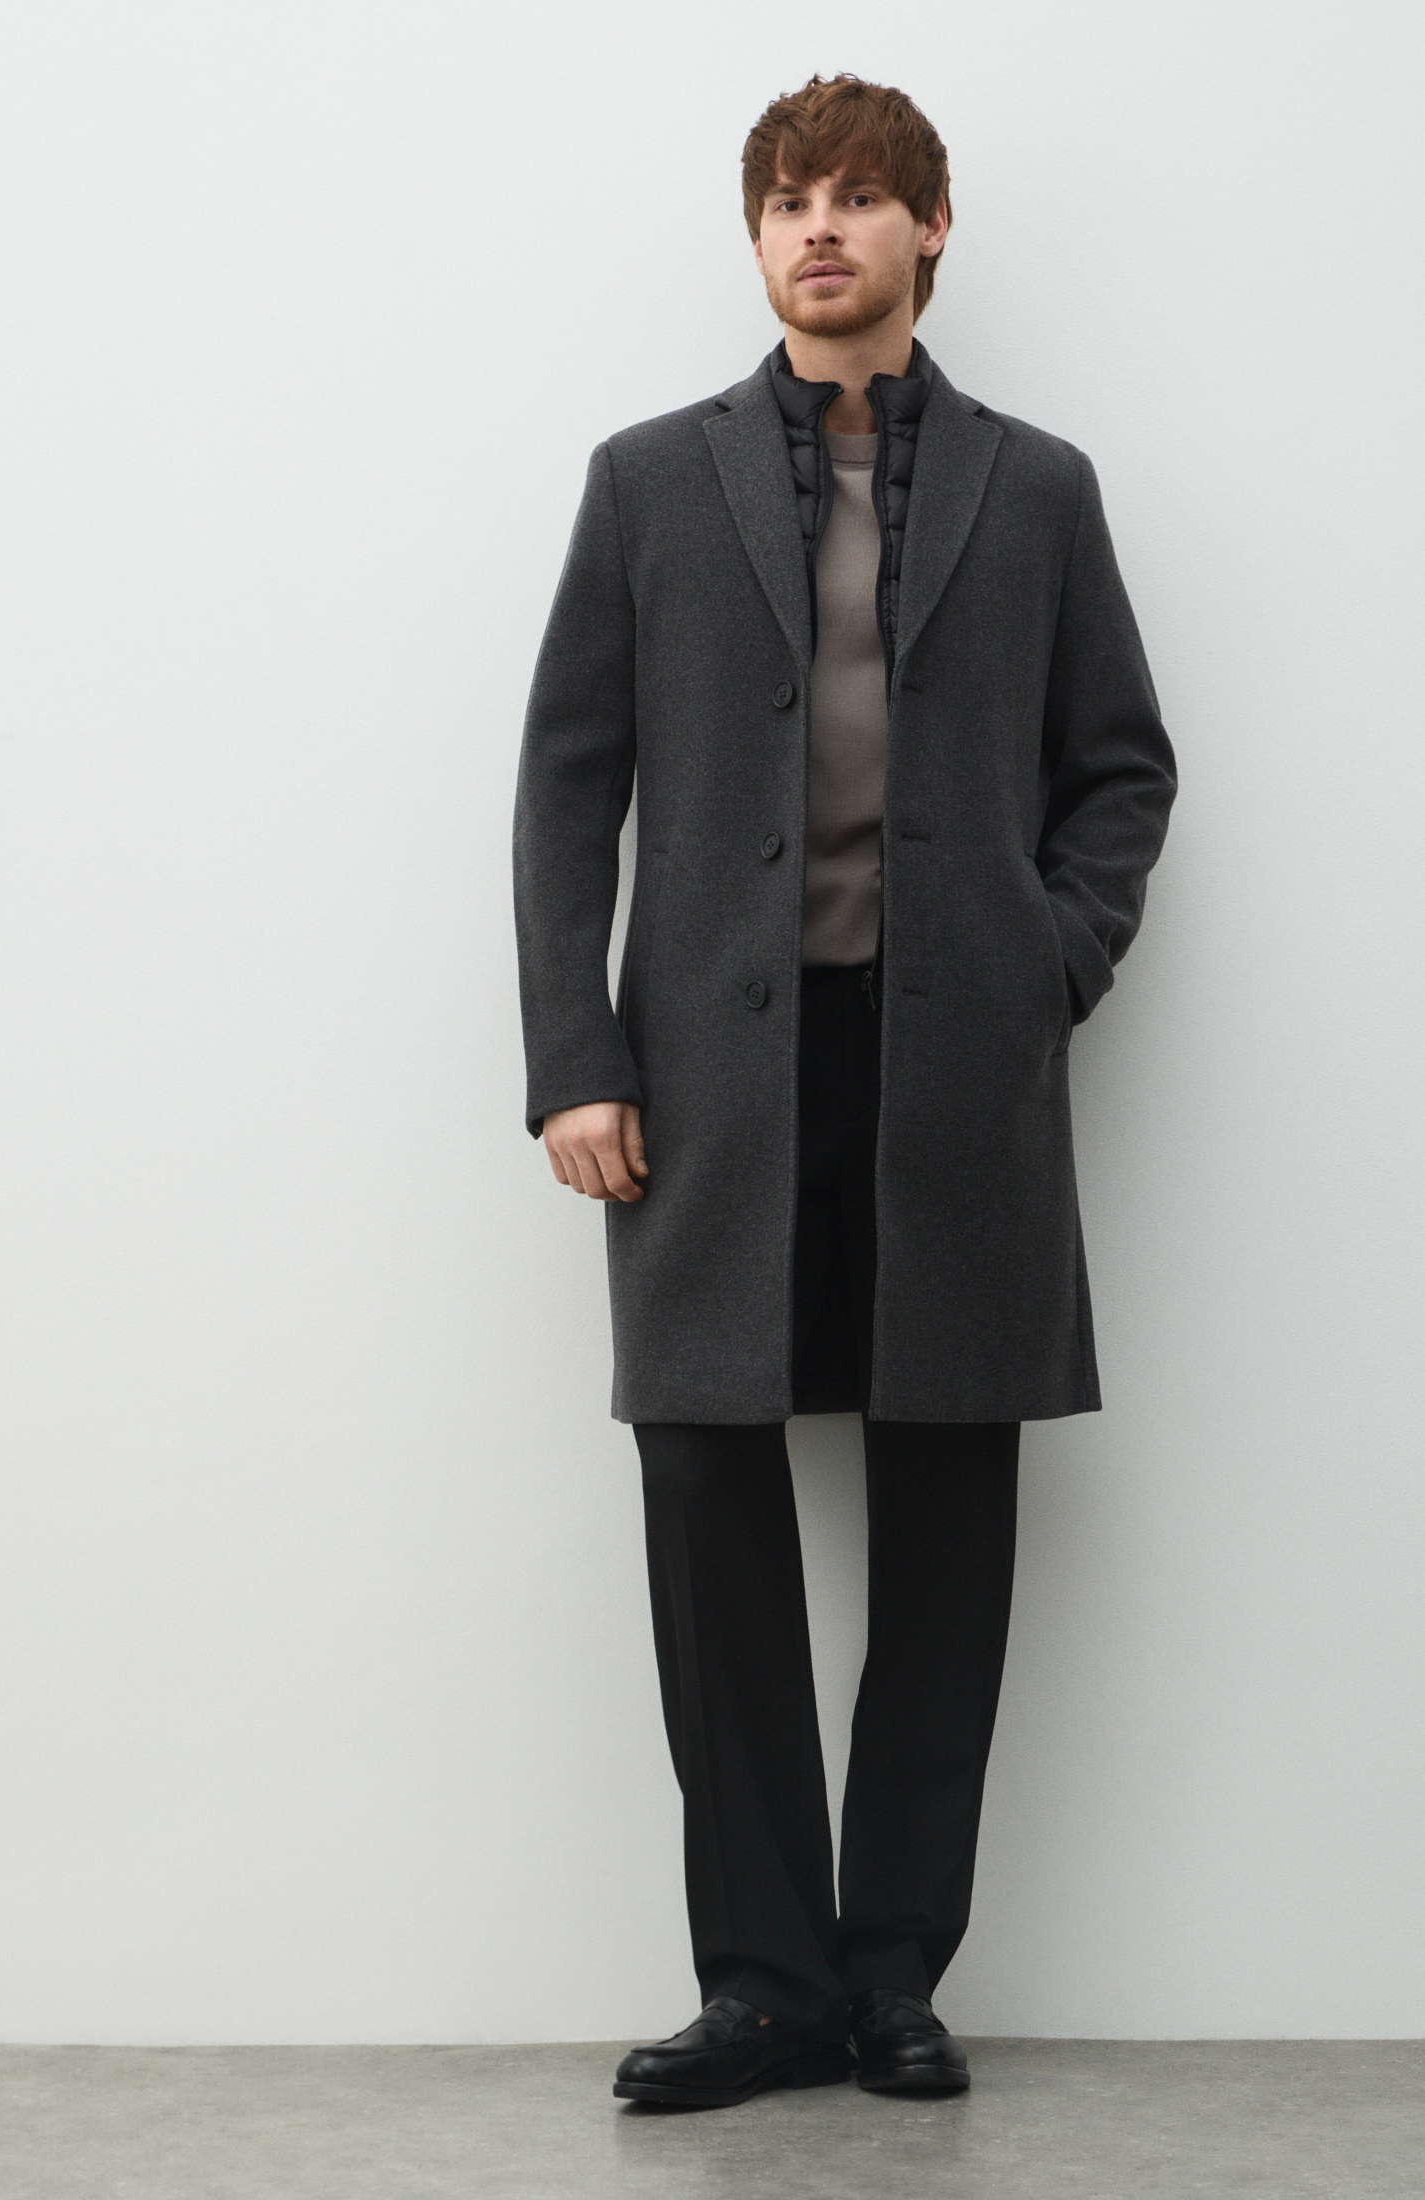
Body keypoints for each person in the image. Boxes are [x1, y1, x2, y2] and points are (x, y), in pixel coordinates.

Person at [511, 72, 1175, 2110]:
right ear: (757, 238)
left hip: (953, 1073)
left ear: (928, 228)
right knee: (706, 1501)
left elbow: (1120, 769)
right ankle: (760, 1983)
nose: (822, 227)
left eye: (861, 196)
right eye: (790, 200)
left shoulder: (1040, 490)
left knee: (947, 1516)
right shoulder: (649, 481)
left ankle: (890, 1972)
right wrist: (575, 1059)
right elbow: (566, 785)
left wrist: (1046, 962)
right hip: (709, 1085)